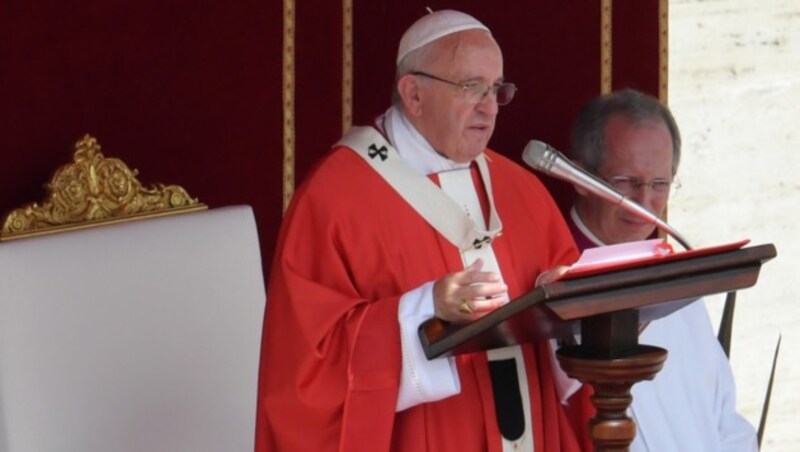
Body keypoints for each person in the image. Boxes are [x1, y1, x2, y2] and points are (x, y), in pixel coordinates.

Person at [255, 9, 591, 452]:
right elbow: (306, 368)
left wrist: (567, 307)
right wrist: (423, 309)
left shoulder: (521, 190)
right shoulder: (335, 199)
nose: (489, 108)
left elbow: (575, 340)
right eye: (471, 88)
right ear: (413, 94)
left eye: (496, 89)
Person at [566, 88, 758, 451]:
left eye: (659, 185)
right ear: (580, 177)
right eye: (624, 183)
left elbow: (724, 420)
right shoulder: (548, 283)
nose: (644, 204)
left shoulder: (678, 284)